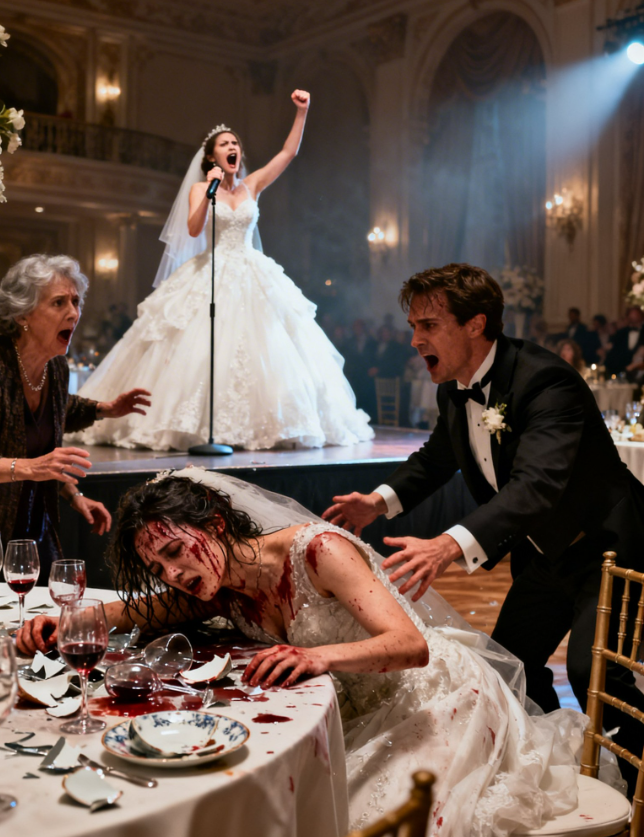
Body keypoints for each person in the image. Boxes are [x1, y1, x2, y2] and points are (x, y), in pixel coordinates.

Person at [17, 467, 587, 837]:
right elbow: (139, 612)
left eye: (173, 552)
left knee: (361, 820)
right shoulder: (221, 583)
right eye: (158, 566)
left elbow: (411, 647)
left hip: (437, 699)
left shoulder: (319, 551)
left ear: (215, 523)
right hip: (351, 710)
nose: (172, 573)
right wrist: (66, 621)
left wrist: (319, 657)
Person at [323, 263, 644, 793]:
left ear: (475, 324)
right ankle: (554, 760)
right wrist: (376, 503)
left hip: (604, 548)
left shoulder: (546, 380)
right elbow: (436, 458)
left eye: (428, 325)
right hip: (544, 552)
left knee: (596, 675)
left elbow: (536, 485)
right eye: (413, 326)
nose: (414, 339)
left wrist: (447, 545)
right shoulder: (455, 388)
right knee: (510, 666)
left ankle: (636, 783)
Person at [71, 91, 373, 451]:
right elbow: (194, 228)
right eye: (224, 144)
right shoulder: (202, 188)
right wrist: (210, 189)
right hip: (211, 271)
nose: (232, 147)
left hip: (252, 272)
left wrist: (302, 112)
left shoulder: (252, 185)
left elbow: (288, 153)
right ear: (212, 156)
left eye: (235, 144)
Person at [0, 254, 151, 580]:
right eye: (58, 303)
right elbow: (34, 459)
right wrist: (29, 468)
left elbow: (58, 411)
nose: (73, 313)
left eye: (75, 301)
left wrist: (74, 494)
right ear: (23, 313)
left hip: (32, 527)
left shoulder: (55, 367)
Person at [605, 306, 644, 376]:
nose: (633, 316)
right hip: (621, 370)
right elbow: (614, 352)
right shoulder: (621, 333)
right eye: (631, 314)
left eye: (635, 314)